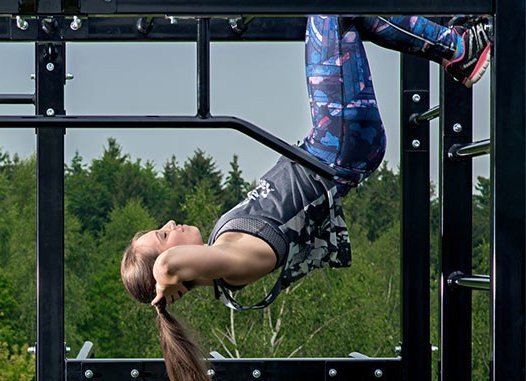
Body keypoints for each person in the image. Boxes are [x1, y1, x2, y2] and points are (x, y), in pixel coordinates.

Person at [120, 16, 492, 380]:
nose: (169, 225)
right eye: (163, 235)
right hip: (340, 145)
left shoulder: (224, 246)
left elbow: (169, 261)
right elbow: (168, 263)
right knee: (328, 6)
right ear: (177, 278)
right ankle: (458, 48)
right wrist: (163, 279)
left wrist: (167, 275)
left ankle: (453, 38)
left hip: (335, 143)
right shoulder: (233, 265)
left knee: (345, 15)